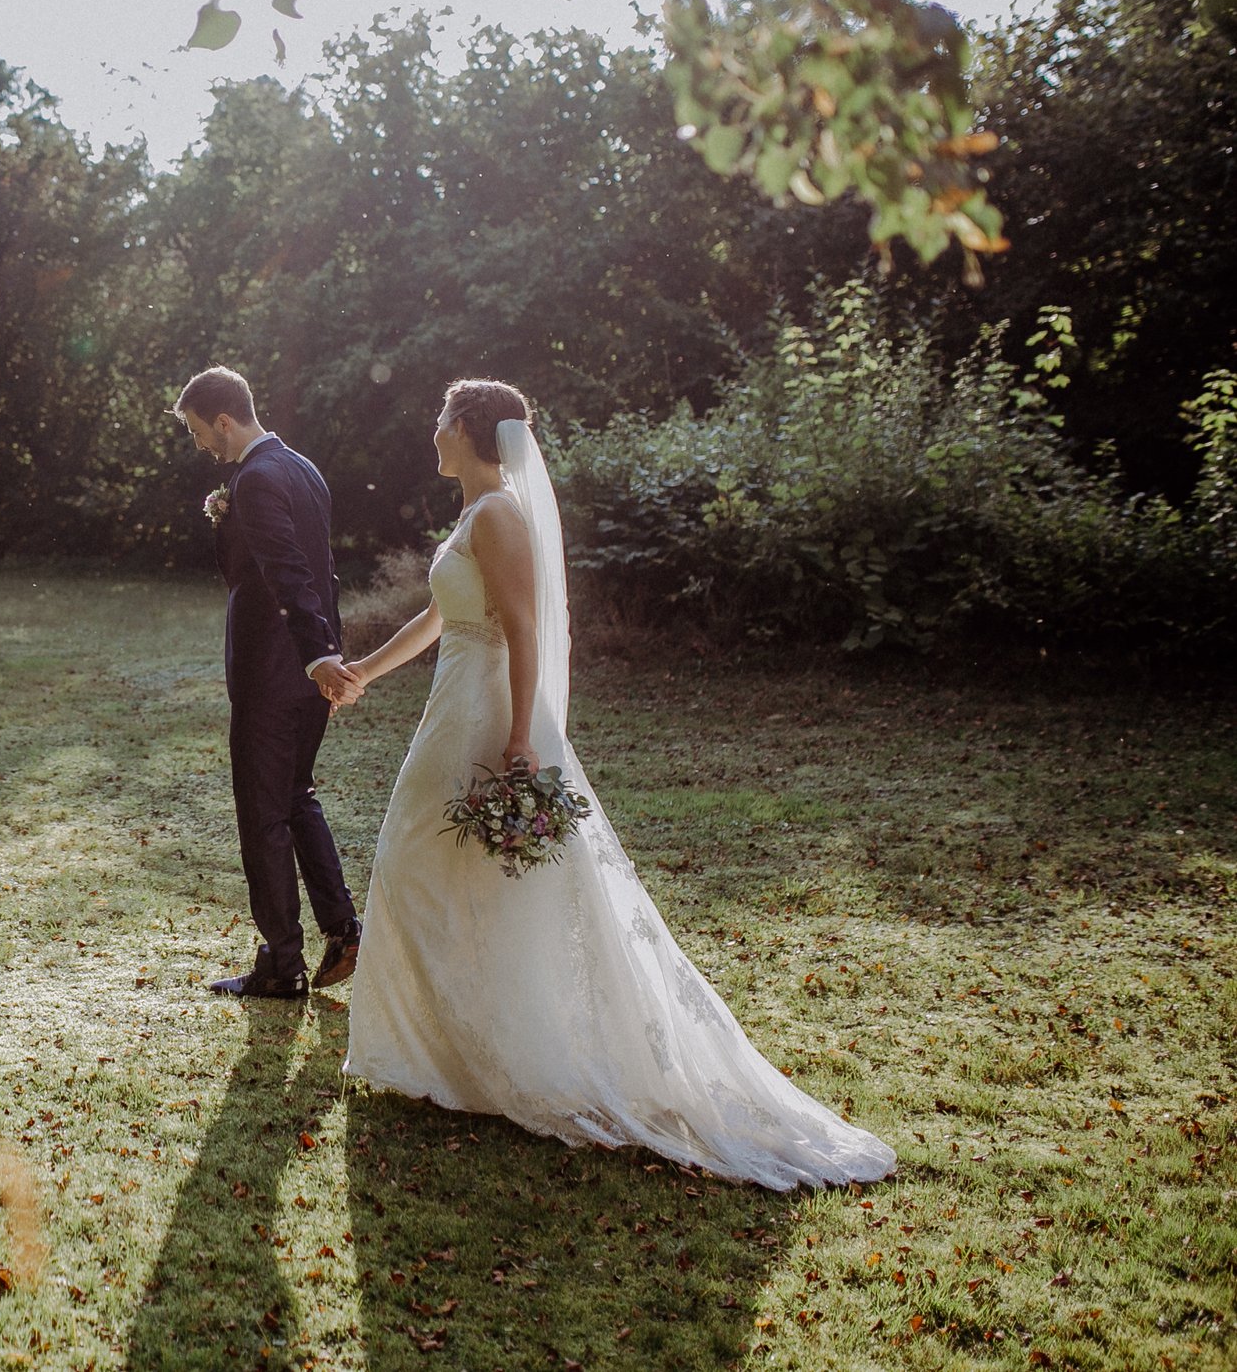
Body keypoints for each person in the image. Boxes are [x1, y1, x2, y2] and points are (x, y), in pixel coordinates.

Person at [337, 378, 895, 1189]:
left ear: (464, 427)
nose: (431, 433)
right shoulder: (473, 512)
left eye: (439, 420)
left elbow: (523, 630)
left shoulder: (498, 515)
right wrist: (363, 672)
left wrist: (523, 732)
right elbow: (438, 618)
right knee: (429, 868)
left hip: (486, 712)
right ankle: (452, 1055)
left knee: (418, 862)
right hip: (450, 706)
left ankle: (481, 1053)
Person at [174, 366, 363, 1000]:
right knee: (296, 796)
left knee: (262, 816)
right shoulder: (303, 468)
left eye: (201, 432)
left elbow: (288, 576)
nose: (202, 446)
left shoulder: (254, 479)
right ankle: (343, 930)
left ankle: (282, 965)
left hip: (274, 674)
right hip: (309, 669)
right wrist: (328, 658)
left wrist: (317, 662)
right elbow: (324, 577)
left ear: (224, 420)